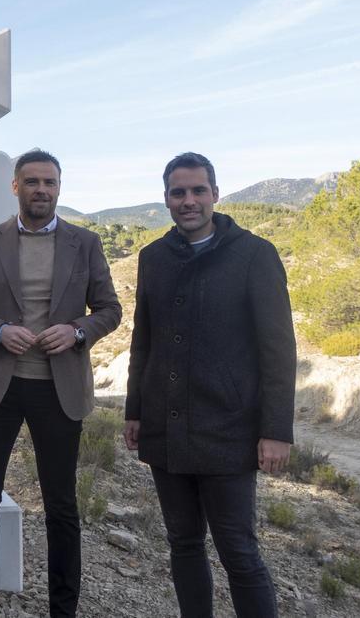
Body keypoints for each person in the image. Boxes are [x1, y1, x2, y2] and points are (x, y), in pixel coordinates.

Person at [123, 152, 296, 617]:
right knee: (182, 543)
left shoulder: (255, 255)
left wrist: (277, 429)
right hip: (165, 424)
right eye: (178, 192)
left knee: (238, 552)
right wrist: (134, 410)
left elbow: (278, 349)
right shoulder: (152, 258)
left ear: (216, 195)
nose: (189, 200)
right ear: (166, 199)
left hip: (228, 428)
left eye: (198, 190)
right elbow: (144, 340)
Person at [0, 150, 122, 618]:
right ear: (15, 187)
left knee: (61, 505)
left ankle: (62, 609)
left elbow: (110, 309)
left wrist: (78, 330)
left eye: (49, 182)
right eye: (31, 182)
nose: (41, 190)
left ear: (59, 188)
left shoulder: (84, 243)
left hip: (59, 390)